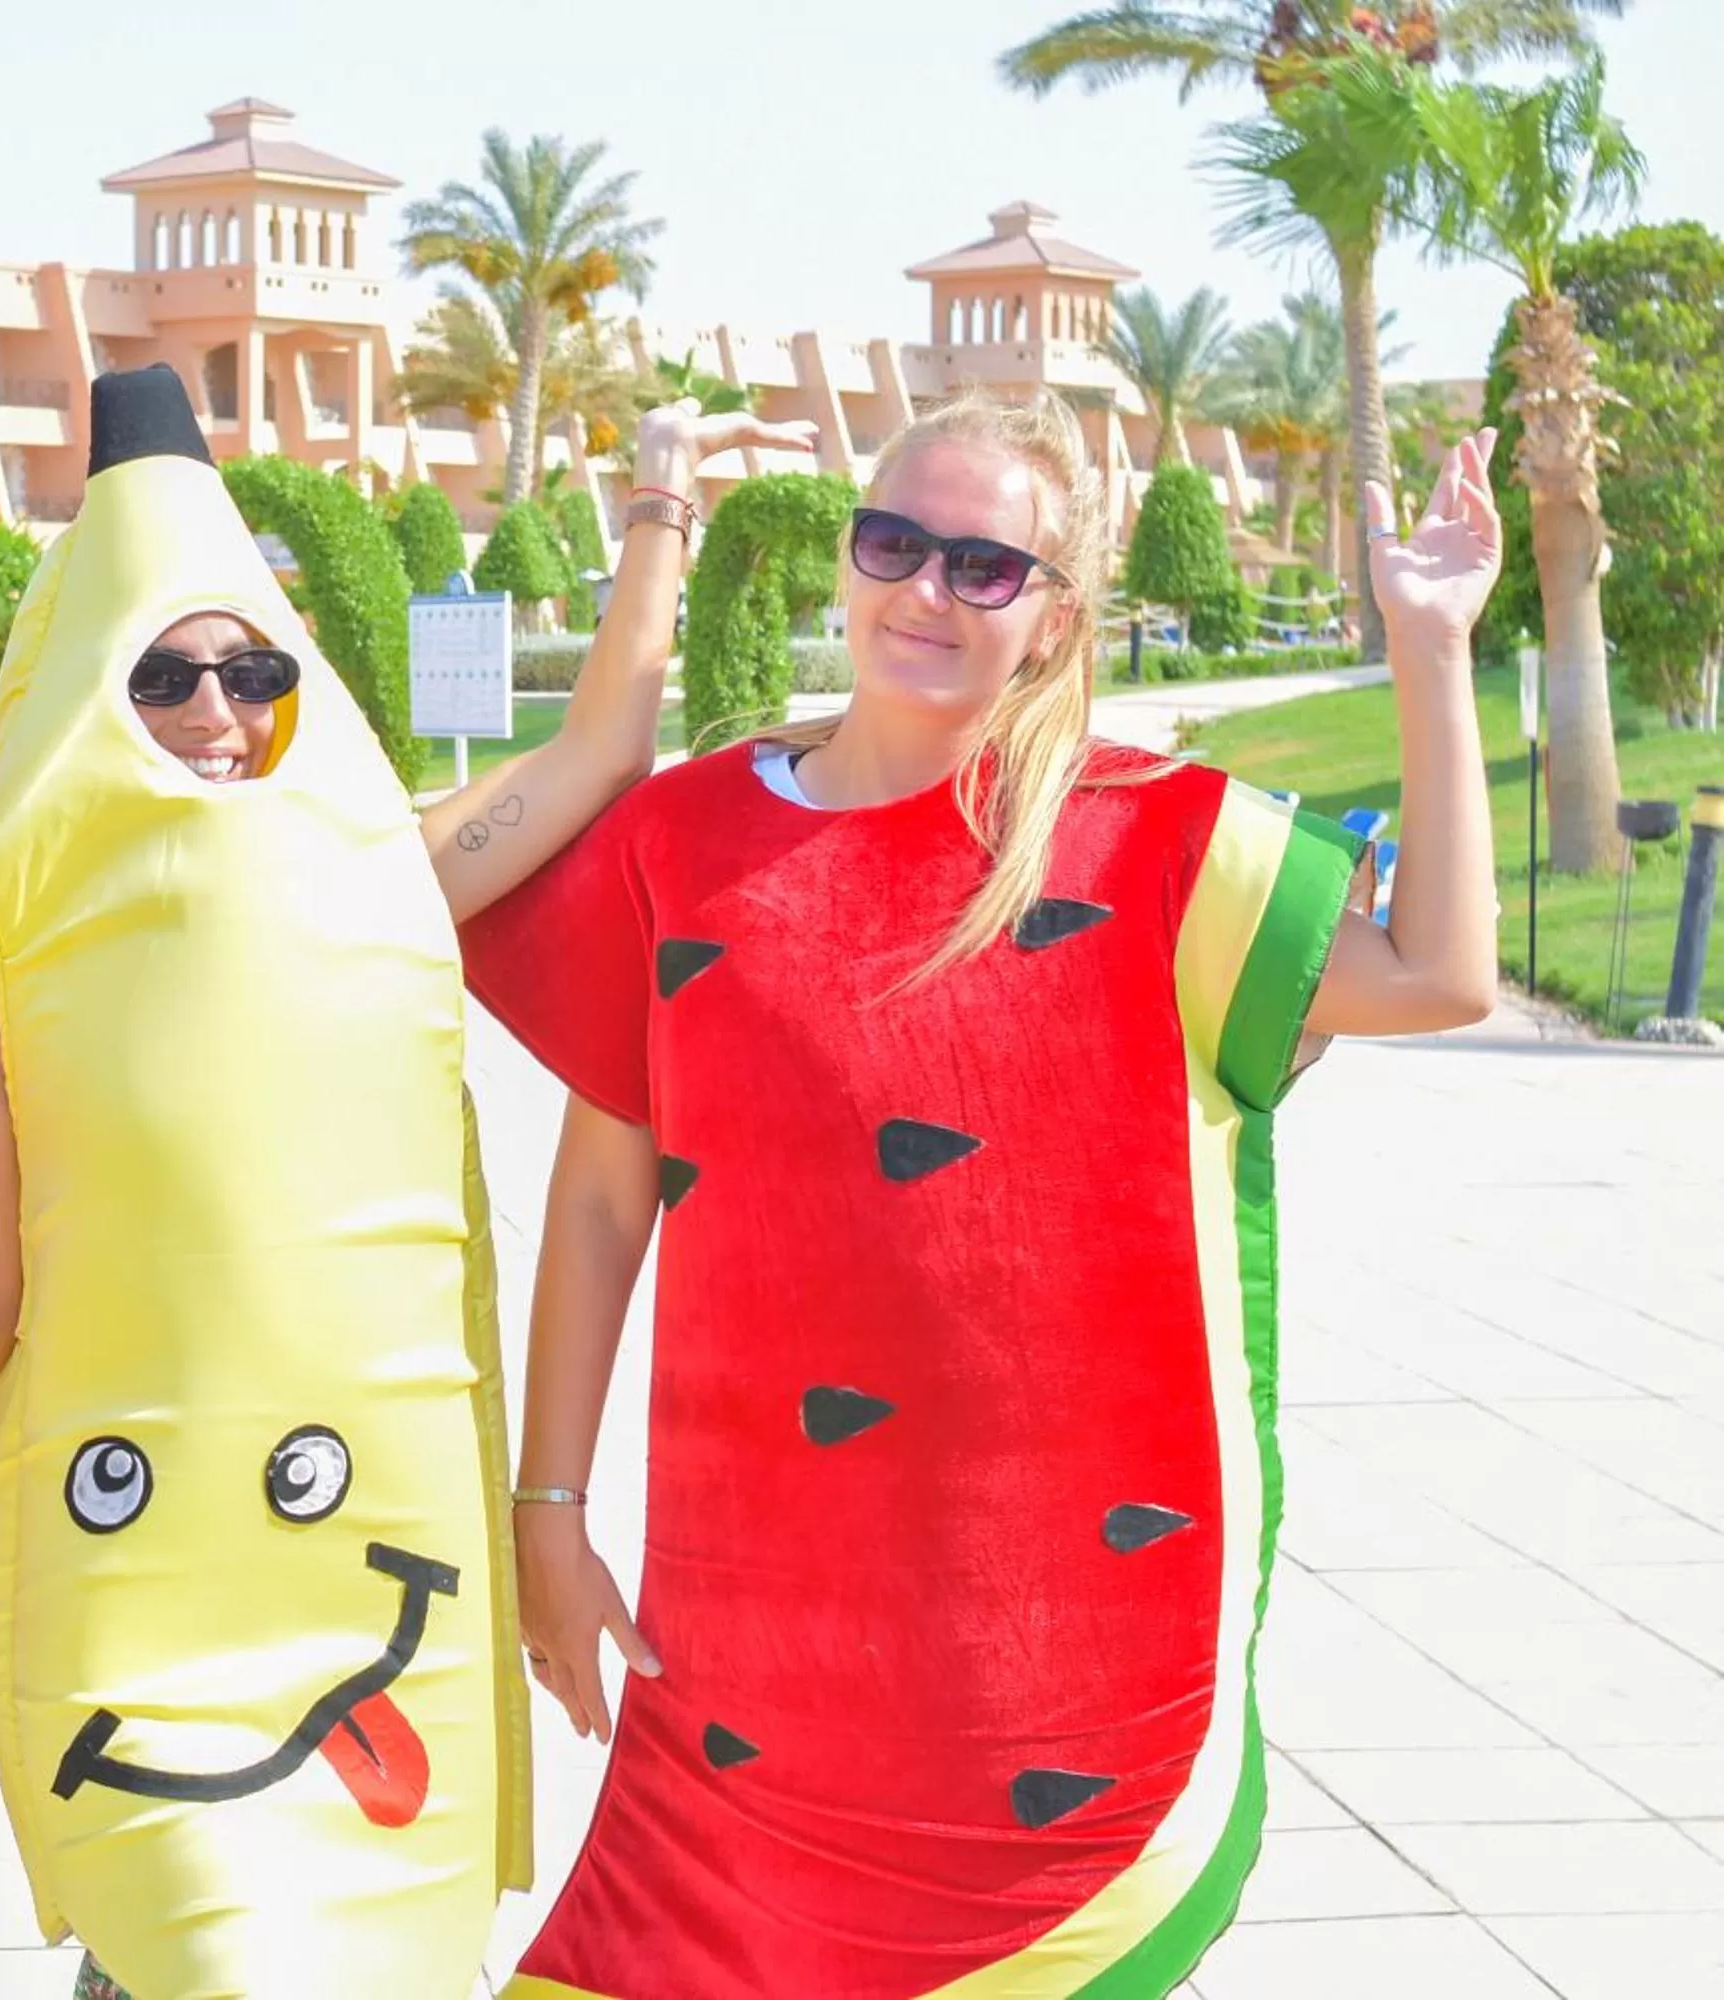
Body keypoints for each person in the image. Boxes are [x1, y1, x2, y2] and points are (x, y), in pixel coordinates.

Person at [0, 366, 817, 1997]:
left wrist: (660, 494)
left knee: (363, 1948)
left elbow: (604, 741)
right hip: (141, 1577)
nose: (215, 715)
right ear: (83, 698)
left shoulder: (389, 882)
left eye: (250, 672)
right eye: (162, 680)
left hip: (365, 1557)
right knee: (200, 1938)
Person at [458, 395, 1503, 1998]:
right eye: (892, 544)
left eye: (981, 563)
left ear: (1052, 615)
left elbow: (1438, 974)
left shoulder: (1153, 844)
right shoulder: (685, 835)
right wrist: (547, 1513)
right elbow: (600, 1203)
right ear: (845, 557)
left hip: (1037, 1665)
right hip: (744, 1653)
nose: (924, 591)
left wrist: (1426, 648)